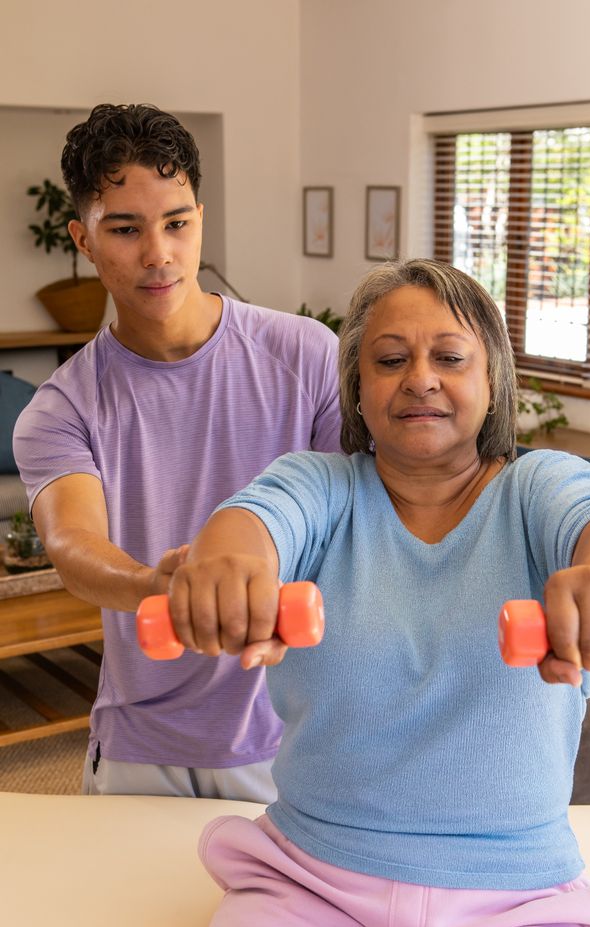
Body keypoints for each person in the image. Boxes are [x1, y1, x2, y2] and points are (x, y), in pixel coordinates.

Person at [165, 259, 590, 927]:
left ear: (493, 383)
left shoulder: (539, 487)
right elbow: (254, 520)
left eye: (450, 357)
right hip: (312, 887)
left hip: (513, 905)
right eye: (390, 359)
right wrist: (229, 562)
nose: (420, 378)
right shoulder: (318, 485)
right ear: (358, 391)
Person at [13, 103, 341, 803]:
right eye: (125, 229)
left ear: (201, 221)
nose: (158, 253)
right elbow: (72, 543)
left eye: (177, 223)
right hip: (141, 747)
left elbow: (354, 517)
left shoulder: (308, 355)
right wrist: (154, 586)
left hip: (292, 740)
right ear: (84, 239)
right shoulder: (61, 408)